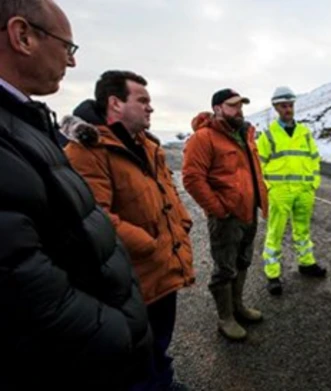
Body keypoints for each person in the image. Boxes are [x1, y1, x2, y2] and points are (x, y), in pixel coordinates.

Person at [0, 1, 153, 390]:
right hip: (87, 351)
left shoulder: (26, 121)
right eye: (67, 47)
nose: (71, 63)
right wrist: (119, 330)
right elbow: (21, 280)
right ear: (23, 36)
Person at [62, 70, 195, 391]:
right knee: (134, 356)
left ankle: (162, 381)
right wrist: (151, 245)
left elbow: (168, 193)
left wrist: (182, 223)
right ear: (115, 103)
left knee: (158, 342)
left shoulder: (147, 146)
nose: (150, 108)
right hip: (130, 277)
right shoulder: (86, 150)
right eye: (143, 100)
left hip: (162, 270)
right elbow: (94, 216)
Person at [183, 88, 268, 341]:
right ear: (218, 108)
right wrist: (218, 209)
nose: (239, 110)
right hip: (226, 218)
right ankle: (225, 318)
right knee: (225, 268)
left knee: (243, 262)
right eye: (232, 105)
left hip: (247, 213)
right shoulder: (204, 138)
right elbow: (192, 178)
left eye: (241, 105)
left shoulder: (245, 135)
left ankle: (238, 306)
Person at [257, 86, 326, 295]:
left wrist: (314, 182)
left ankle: (306, 263)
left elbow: (314, 159)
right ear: (276, 107)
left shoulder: (305, 133)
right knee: (275, 233)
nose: (288, 109)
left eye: (290, 105)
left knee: (303, 229)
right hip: (280, 191)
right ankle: (273, 274)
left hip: (304, 190)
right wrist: (268, 188)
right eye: (284, 105)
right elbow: (258, 164)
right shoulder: (268, 136)